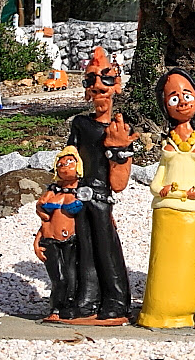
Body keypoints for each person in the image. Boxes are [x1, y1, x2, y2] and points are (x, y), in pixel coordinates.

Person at [63, 47, 138, 323]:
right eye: (91, 80)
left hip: (102, 196)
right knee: (83, 247)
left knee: (106, 247)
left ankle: (116, 299)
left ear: (116, 85)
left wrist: (118, 150)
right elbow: (69, 156)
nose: (98, 86)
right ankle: (88, 297)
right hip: (80, 193)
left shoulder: (120, 129)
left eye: (105, 79)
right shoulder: (80, 124)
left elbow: (119, 181)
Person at [138, 69, 195, 328]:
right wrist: (163, 189)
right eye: (173, 98)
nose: (181, 102)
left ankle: (187, 309)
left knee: (189, 263)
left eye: (187, 95)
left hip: (193, 211)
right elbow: (156, 181)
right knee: (164, 263)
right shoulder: (168, 143)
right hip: (168, 209)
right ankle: (158, 310)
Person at [34, 146, 84, 321]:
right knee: (60, 277)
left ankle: (68, 307)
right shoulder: (52, 191)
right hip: (50, 238)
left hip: (71, 239)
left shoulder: (82, 190)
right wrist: (37, 241)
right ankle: (55, 308)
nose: (64, 167)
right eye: (60, 164)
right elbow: (42, 215)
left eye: (69, 163)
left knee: (72, 276)